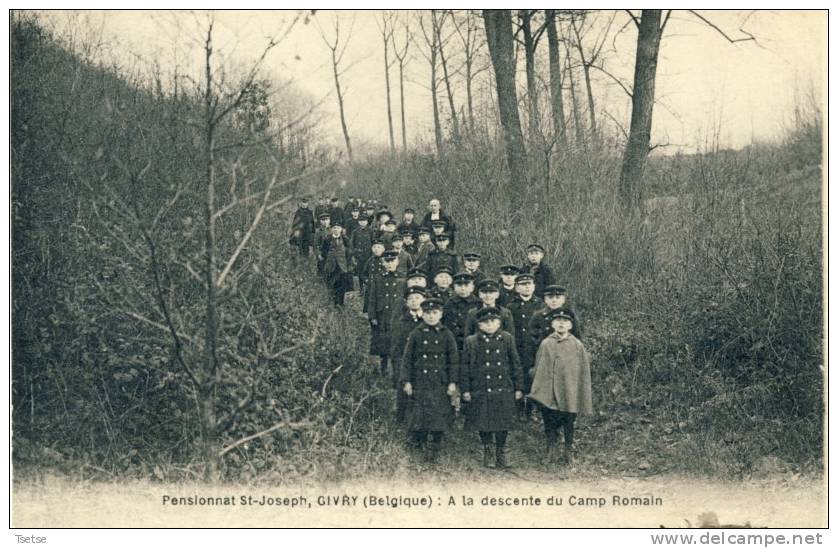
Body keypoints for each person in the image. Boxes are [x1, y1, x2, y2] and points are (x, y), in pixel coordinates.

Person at [461, 306, 524, 468]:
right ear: (479, 325)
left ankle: (501, 452)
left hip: (503, 387)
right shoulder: (471, 341)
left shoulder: (507, 338)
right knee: (484, 420)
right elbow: (465, 367)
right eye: (485, 322)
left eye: (493, 321)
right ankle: (488, 450)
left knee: (503, 421)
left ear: (499, 322)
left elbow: (515, 364)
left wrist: (518, 388)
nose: (489, 325)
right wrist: (466, 390)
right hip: (481, 387)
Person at [529, 308, 592, 465]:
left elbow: (582, 372)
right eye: (558, 321)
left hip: (569, 390)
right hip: (549, 390)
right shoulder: (546, 343)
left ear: (570, 325)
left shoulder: (577, 345)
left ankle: (568, 451)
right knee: (549, 421)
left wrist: (577, 391)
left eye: (565, 322)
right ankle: (551, 449)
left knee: (569, 421)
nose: (561, 324)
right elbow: (539, 368)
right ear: (552, 324)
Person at [400, 297, 459, 464]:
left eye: (435, 313)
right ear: (422, 315)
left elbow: (454, 360)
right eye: (427, 313)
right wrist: (407, 381)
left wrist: (452, 382)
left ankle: (435, 445)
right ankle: (419, 443)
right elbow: (407, 359)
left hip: (440, 382)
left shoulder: (447, 334)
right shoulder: (417, 333)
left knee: (439, 414)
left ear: (440, 314)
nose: (431, 316)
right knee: (420, 414)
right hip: (420, 381)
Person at [505, 272, 543, 418]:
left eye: (529, 284)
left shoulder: (540, 305)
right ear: (517, 287)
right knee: (518, 376)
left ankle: (534, 408)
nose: (526, 288)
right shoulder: (511, 306)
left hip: (535, 348)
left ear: (534, 286)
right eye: (522, 285)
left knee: (535, 376)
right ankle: (519, 408)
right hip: (517, 347)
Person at [390, 286, 427, 423]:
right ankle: (401, 418)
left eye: (417, 298)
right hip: (407, 363)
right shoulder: (401, 323)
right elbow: (396, 348)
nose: (414, 301)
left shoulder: (429, 320)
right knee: (404, 392)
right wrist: (399, 367)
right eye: (410, 299)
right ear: (406, 302)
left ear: (424, 300)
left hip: (426, 364)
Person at [367, 249, 405, 377]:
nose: (390, 264)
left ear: (397, 262)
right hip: (382, 315)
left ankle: (396, 372)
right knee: (383, 344)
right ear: (383, 263)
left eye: (392, 261)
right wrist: (372, 315)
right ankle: (382, 370)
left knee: (396, 344)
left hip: (397, 316)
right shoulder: (378, 278)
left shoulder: (403, 278)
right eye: (387, 261)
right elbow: (372, 298)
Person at [528, 285, 568, 355]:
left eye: (558, 297)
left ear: (563, 300)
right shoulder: (538, 316)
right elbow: (531, 340)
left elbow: (576, 337)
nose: (554, 300)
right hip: (544, 355)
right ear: (545, 300)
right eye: (550, 297)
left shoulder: (569, 315)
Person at [321, 221, 353, 306]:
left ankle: (340, 303)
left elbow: (349, 253)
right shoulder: (327, 239)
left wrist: (347, 264)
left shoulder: (345, 239)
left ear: (341, 229)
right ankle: (332, 303)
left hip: (342, 266)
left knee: (342, 285)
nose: (336, 230)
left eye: (338, 228)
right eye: (334, 228)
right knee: (331, 284)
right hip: (331, 266)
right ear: (331, 229)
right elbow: (323, 253)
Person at [362, 239, 386, 314]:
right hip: (371, 287)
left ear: (383, 249)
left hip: (382, 287)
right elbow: (363, 274)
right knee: (371, 307)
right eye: (374, 247)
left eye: (379, 247)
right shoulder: (370, 260)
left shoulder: (386, 260)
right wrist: (367, 281)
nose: (376, 249)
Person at [350, 215, 374, 292]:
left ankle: (369, 288)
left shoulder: (371, 231)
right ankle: (361, 289)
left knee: (369, 271)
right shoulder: (355, 231)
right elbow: (351, 244)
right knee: (360, 272)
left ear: (367, 222)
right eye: (361, 221)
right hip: (359, 256)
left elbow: (374, 242)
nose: (363, 222)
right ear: (359, 222)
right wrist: (354, 253)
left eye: (364, 221)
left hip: (368, 255)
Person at [314, 213, 332, 277]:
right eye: (323, 220)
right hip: (322, 253)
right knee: (321, 270)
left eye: (326, 219)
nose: (325, 221)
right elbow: (316, 245)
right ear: (320, 221)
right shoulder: (318, 231)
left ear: (329, 220)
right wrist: (318, 254)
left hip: (331, 253)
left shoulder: (333, 229)